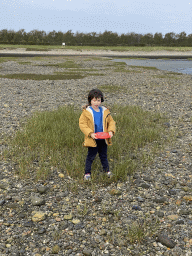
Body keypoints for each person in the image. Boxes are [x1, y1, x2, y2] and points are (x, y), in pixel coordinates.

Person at [79, 88, 116, 181]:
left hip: (103, 139)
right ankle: (87, 173)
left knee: (103, 155)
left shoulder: (105, 111)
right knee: (90, 156)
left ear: (101, 101)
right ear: (90, 101)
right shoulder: (86, 112)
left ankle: (107, 171)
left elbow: (111, 122)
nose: (96, 102)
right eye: (94, 100)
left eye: (98, 100)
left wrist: (111, 131)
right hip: (93, 139)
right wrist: (90, 133)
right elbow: (82, 124)